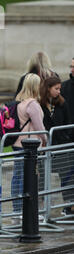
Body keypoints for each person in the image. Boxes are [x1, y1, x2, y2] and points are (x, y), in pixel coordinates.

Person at [11, 73, 47, 212]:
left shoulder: (21, 102)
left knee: (18, 176)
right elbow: (40, 128)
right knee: (27, 177)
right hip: (29, 145)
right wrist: (46, 140)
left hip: (18, 144)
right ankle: (23, 209)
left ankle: (17, 208)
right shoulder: (33, 104)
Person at [39, 76, 74, 215]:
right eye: (56, 89)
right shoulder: (40, 105)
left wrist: (65, 137)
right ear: (48, 89)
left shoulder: (62, 104)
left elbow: (67, 122)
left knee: (67, 175)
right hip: (46, 148)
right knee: (41, 177)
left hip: (61, 147)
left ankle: (69, 205)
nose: (59, 91)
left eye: (60, 88)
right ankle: (41, 205)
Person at [61, 58, 74, 215]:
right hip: (67, 137)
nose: (72, 70)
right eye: (71, 66)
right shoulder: (64, 87)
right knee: (67, 172)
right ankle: (69, 204)